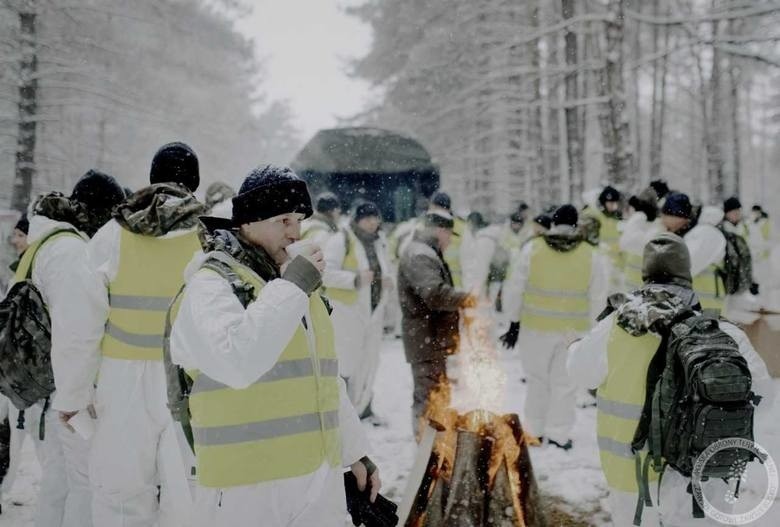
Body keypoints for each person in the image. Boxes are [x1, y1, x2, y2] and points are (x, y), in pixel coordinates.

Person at [169, 165, 379, 526]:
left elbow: (322, 379)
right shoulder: (210, 285)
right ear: (248, 222)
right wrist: (293, 288)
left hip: (313, 484)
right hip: (244, 491)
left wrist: (355, 452)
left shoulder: (293, 285)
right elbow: (237, 361)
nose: (295, 232)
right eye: (283, 220)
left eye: (298, 220)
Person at [568, 233, 773, 526]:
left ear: (645, 275)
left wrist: (574, 346)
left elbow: (580, 373)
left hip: (635, 480)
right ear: (687, 275)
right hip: (703, 480)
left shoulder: (615, 326)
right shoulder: (719, 332)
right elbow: (763, 397)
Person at [66, 142, 205, 526]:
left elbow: (79, 323)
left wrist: (73, 393)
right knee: (188, 494)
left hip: (122, 377)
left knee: (121, 494)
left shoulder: (113, 234)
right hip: (188, 379)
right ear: (194, 182)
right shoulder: (207, 236)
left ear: (151, 179)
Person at [11, 171, 125, 527]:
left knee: (60, 481)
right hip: (61, 390)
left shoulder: (47, 240)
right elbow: (76, 331)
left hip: (47, 385)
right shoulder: (70, 250)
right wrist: (76, 398)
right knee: (85, 483)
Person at [500, 205, 608, 449]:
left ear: (552, 223)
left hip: (536, 329)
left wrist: (513, 320)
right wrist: (594, 333)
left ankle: (535, 430)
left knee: (537, 380)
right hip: (572, 331)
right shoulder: (591, 255)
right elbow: (598, 297)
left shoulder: (532, 249)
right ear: (575, 225)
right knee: (565, 384)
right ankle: (558, 433)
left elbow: (514, 287)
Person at [398, 211, 474, 434]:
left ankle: (434, 448)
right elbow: (434, 294)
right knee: (430, 397)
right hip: (426, 337)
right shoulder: (421, 255)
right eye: (450, 234)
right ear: (441, 231)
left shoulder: (423, 251)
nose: (450, 240)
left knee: (435, 394)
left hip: (429, 338)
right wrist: (466, 299)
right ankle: (427, 452)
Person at [323, 201, 392, 419]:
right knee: (346, 362)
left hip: (372, 310)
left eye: (375, 218)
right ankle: (343, 413)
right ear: (357, 219)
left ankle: (364, 408)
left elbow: (382, 268)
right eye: (367, 219)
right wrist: (354, 279)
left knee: (369, 361)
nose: (372, 223)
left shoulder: (379, 242)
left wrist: (386, 280)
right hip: (347, 311)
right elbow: (324, 273)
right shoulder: (340, 240)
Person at [684, 206, 727, 316]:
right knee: (714, 321)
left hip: (696, 287)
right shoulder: (715, 234)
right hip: (711, 287)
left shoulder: (694, 232)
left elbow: (690, 259)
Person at [621, 187, 661, 292]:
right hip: (647, 281)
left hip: (634, 280)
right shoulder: (658, 222)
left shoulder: (639, 219)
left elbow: (627, 242)